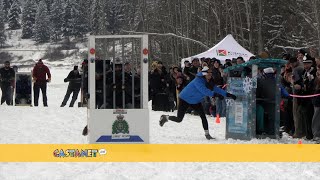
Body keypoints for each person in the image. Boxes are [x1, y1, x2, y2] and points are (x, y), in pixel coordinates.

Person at [159, 66, 237, 140]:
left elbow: (217, 89)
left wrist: (228, 94)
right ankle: (165, 117)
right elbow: (204, 91)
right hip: (185, 99)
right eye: (208, 74)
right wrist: (215, 95)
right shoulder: (198, 80)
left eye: (211, 74)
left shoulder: (209, 81)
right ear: (204, 74)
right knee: (179, 119)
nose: (210, 75)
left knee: (203, 116)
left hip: (195, 101)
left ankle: (207, 134)